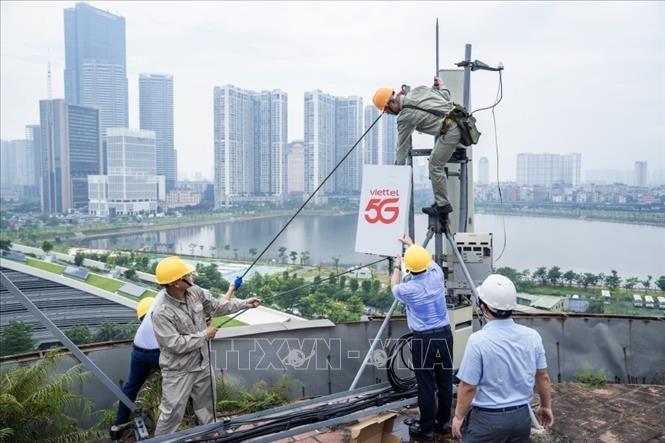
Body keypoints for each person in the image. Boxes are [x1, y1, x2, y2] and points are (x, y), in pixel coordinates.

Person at [151, 256, 261, 435]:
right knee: (172, 413)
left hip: (202, 362)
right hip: (179, 370)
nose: (191, 275)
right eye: (187, 274)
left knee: (206, 407)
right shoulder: (162, 312)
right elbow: (174, 344)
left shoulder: (195, 292)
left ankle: (212, 435)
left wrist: (244, 304)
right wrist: (204, 335)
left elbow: (216, 307)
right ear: (177, 282)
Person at [452, 274, 554, 442]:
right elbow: (543, 376)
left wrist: (458, 417)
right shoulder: (532, 336)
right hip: (521, 419)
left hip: (487, 422)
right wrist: (545, 406)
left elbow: (468, 386)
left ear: (483, 306)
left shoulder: (478, 340)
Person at [391, 234, 453, 441]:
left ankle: (426, 427)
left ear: (410, 268)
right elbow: (427, 260)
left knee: (426, 383)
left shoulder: (408, 289)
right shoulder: (437, 274)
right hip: (444, 335)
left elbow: (393, 287)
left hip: (424, 340)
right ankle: (444, 422)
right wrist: (411, 244)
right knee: (445, 381)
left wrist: (397, 266)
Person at [373, 78, 461, 221]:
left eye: (387, 112)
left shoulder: (405, 117)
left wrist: (396, 175)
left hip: (452, 131)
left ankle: (443, 206)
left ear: (391, 103)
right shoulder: (418, 90)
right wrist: (441, 85)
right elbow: (445, 96)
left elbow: (401, 148)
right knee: (435, 162)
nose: (389, 114)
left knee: (435, 165)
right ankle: (441, 203)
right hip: (459, 120)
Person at [110, 296, 161, 440]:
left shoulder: (142, 330)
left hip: (139, 353)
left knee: (131, 386)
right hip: (159, 354)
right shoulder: (160, 317)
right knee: (182, 379)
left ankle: (119, 424)